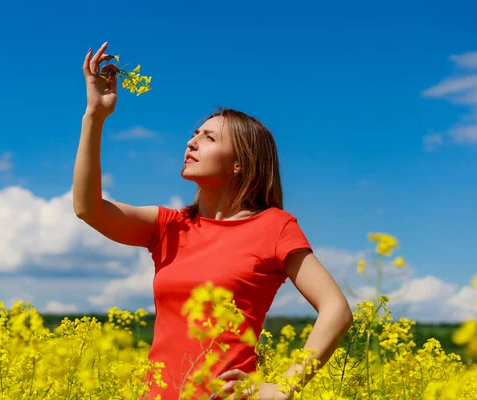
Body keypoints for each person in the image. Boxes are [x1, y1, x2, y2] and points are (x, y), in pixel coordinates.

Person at [73, 42, 354, 400]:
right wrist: (94, 116)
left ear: (240, 162)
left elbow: (336, 309)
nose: (191, 142)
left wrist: (285, 387)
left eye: (208, 138)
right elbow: (87, 209)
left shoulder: (274, 227)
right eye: (193, 134)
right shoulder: (168, 226)